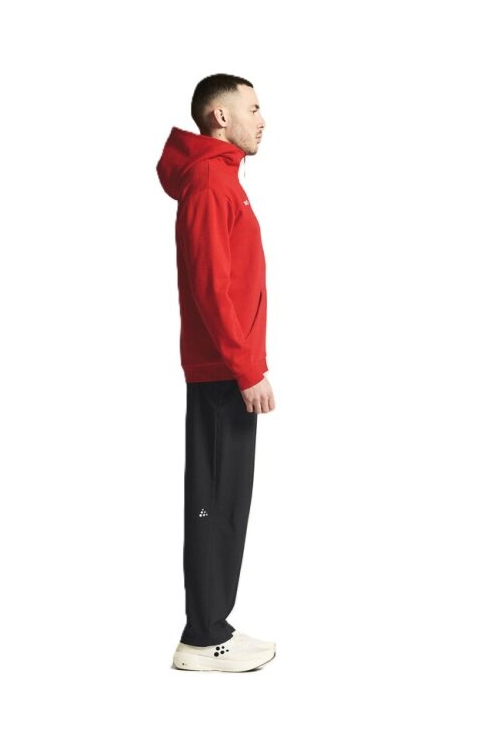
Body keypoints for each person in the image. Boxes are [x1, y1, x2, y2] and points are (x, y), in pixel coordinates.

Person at [156, 73, 277, 672]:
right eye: (252, 108)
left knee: (227, 501)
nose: (263, 119)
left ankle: (213, 627)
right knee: (214, 500)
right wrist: (246, 369)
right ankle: (202, 638)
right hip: (222, 370)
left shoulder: (222, 178)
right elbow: (212, 286)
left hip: (228, 366)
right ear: (221, 117)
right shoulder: (209, 180)